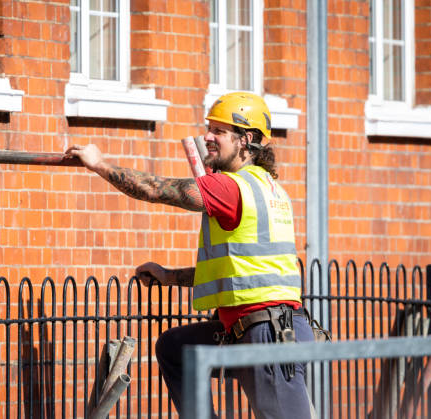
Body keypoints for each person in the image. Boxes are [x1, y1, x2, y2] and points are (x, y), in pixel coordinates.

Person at [66, 92, 314, 419]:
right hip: (253, 330)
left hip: (267, 335)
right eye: (208, 128)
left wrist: (99, 164)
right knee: (176, 350)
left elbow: (157, 189)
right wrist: (171, 277)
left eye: (220, 131)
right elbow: (240, 269)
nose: (207, 137)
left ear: (247, 140)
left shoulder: (231, 187)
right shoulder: (268, 187)